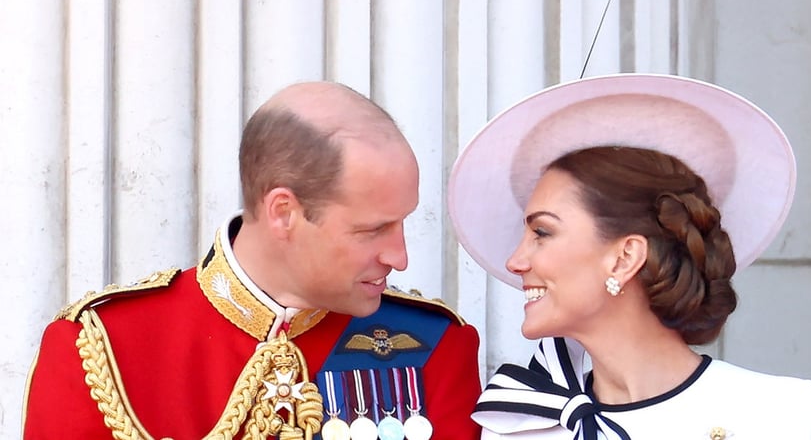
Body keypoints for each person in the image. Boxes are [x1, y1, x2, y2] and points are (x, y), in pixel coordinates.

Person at [23, 81, 482, 440]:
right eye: (371, 230)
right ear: (284, 212)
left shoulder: (432, 346)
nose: (398, 257)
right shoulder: (102, 347)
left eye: (401, 224)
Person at [447, 73, 811, 439]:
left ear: (625, 257)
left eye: (542, 233)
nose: (515, 262)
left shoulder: (777, 414)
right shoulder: (518, 426)